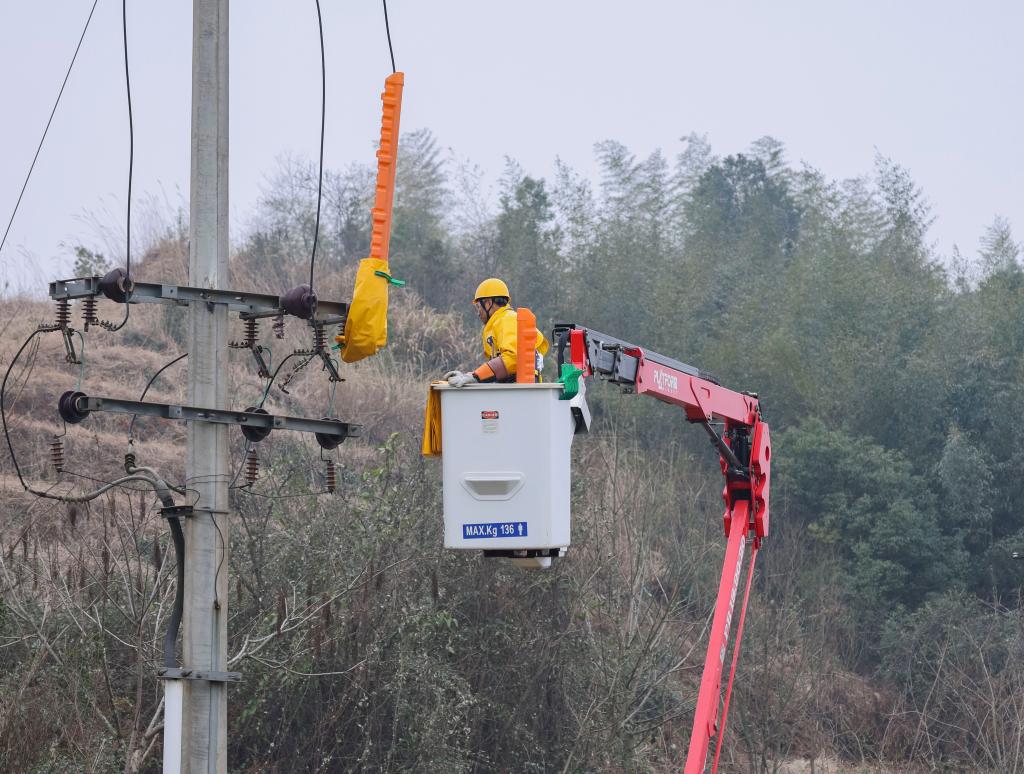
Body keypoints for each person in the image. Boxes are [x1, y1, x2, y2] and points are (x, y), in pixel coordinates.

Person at [445, 278, 549, 387]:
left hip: (521, 391)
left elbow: (513, 357)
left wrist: (475, 377)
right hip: (514, 388)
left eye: (478, 307)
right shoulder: (499, 322)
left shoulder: (508, 319)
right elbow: (496, 370)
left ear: (489, 303)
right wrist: (469, 376)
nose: (478, 313)